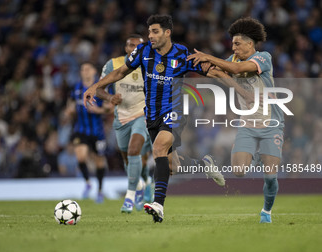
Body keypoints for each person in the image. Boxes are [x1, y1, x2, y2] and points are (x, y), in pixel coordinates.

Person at [84, 14, 227, 223]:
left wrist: (240, 86)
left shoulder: (182, 53)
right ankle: (204, 165)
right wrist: (95, 87)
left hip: (174, 111)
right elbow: (120, 72)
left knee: (159, 148)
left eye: (155, 31)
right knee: (172, 167)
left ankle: (158, 204)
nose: (150, 35)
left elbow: (212, 72)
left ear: (167, 33)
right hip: (152, 115)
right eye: (149, 31)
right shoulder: (143, 52)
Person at [187, 17, 284, 223]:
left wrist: (209, 57)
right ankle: (253, 157)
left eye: (237, 43)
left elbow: (238, 71)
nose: (233, 47)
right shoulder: (232, 60)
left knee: (270, 176)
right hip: (248, 123)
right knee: (238, 171)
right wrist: (209, 69)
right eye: (232, 43)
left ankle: (266, 211)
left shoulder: (263, 58)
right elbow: (223, 73)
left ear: (250, 44)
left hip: (271, 123)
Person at [99, 34, 153, 213]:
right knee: (129, 160)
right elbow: (99, 89)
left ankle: (129, 197)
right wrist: (110, 97)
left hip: (143, 115)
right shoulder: (113, 65)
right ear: (126, 48)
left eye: (139, 46)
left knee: (134, 151)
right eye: (131, 45)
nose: (135, 49)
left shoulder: (151, 63)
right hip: (121, 118)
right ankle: (143, 184)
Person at [65, 62, 113, 203]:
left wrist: (97, 110)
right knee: (80, 156)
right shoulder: (76, 88)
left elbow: (109, 108)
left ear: (94, 72)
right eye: (82, 69)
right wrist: (69, 111)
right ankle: (87, 182)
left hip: (97, 131)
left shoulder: (100, 88)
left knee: (99, 161)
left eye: (87, 69)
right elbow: (70, 105)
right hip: (81, 130)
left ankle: (99, 190)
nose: (84, 71)